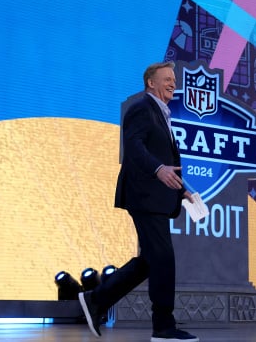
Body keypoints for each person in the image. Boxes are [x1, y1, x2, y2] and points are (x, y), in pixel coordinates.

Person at [79, 61, 199, 342]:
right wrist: (159, 170)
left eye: (174, 78)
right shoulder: (141, 108)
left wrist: (181, 189)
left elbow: (165, 160)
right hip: (144, 196)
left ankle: (97, 299)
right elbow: (134, 147)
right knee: (164, 258)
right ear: (150, 83)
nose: (173, 82)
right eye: (166, 78)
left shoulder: (161, 113)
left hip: (156, 197)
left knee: (150, 261)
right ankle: (163, 326)